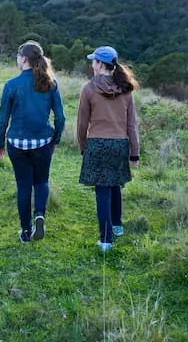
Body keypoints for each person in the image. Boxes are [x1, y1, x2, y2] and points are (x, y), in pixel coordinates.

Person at [0, 41, 66, 243]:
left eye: (18, 57)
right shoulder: (51, 84)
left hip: (16, 143)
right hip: (43, 142)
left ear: (24, 59)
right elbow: (60, 117)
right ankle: (39, 215)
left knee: (23, 185)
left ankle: (26, 232)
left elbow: (3, 119)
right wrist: (56, 139)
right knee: (41, 181)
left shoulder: (11, 85)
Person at [77, 46, 140, 252]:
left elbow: (81, 124)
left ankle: (105, 239)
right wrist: (134, 152)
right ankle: (117, 225)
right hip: (120, 144)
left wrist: (83, 147)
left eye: (93, 61)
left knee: (102, 190)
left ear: (100, 64)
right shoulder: (126, 89)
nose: (91, 64)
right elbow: (132, 125)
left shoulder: (88, 89)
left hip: (97, 143)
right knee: (115, 184)